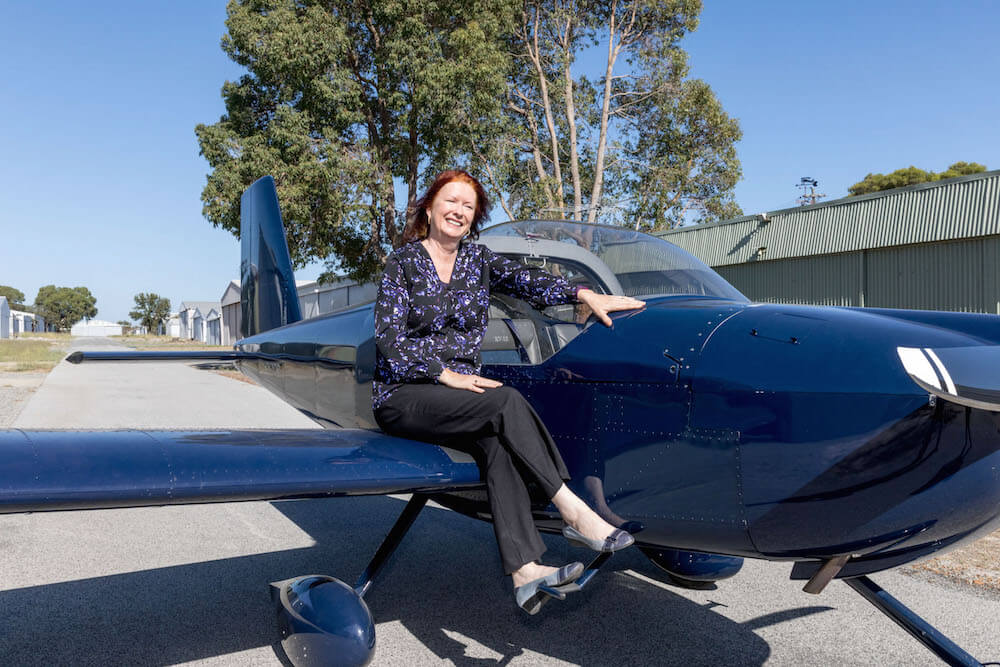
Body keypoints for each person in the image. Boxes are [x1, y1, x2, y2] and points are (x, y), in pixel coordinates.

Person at [372, 169, 646, 614]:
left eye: (468, 206)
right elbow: (389, 339)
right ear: (429, 207)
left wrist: (583, 294)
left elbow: (530, 281)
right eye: (451, 201)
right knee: (504, 399)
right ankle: (572, 510)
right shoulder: (403, 262)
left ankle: (525, 572)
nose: (459, 211)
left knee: (498, 445)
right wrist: (445, 374)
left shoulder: (477, 260)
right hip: (404, 394)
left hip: (460, 400)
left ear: (474, 218)